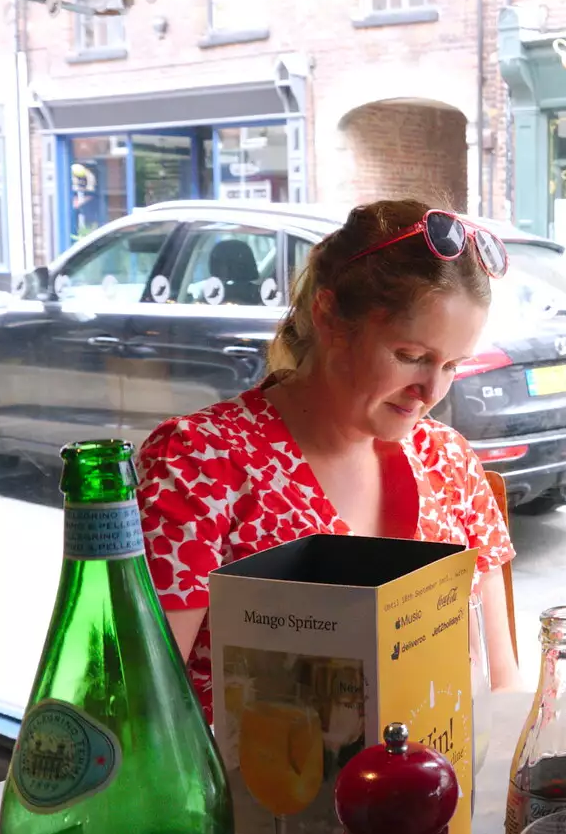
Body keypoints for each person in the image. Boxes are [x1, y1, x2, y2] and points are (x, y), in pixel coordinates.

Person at [137, 199, 524, 723]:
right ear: (329, 317)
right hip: (260, 792)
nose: (430, 391)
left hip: (434, 789)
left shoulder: (449, 460)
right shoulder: (203, 460)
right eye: (411, 356)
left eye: (452, 365)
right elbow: (142, 704)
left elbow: (501, 684)